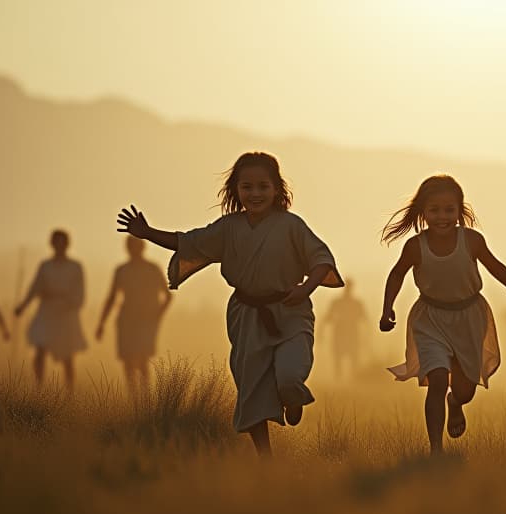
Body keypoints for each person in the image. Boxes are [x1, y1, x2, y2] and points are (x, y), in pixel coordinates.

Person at [116, 151, 342, 456]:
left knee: (290, 375)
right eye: (247, 187)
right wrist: (147, 233)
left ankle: (292, 396)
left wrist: (307, 288)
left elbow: (321, 259)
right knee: (251, 389)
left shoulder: (292, 225)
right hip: (246, 316)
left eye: (263, 186)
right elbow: (189, 242)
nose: (255, 193)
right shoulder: (228, 228)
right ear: (236, 190)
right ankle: (266, 460)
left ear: (277, 189)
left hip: (291, 312)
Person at [380, 174, 506, 454]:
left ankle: (455, 403)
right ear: (423, 212)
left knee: (465, 389)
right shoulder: (414, 247)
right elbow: (396, 275)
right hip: (430, 319)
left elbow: (497, 268)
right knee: (437, 379)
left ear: (460, 211)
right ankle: (436, 450)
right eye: (434, 210)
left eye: (449, 210)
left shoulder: (471, 240)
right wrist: (387, 310)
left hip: (469, 317)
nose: (442, 217)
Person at [96, 236, 172, 400]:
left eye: (135, 246)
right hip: (126, 320)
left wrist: (156, 316)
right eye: (130, 246)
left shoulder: (153, 269)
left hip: (146, 322)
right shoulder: (122, 270)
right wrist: (101, 323)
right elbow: (112, 297)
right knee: (128, 361)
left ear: (142, 247)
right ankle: (134, 400)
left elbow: (167, 296)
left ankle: (145, 401)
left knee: (143, 360)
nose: (132, 249)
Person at [15, 229, 88, 392]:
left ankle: (70, 393)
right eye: (56, 242)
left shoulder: (75, 267)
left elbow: (80, 291)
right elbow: (35, 287)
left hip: (66, 313)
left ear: (67, 244)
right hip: (46, 312)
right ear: (52, 244)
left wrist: (72, 304)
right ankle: (38, 389)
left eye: (62, 242)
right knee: (40, 349)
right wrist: (23, 305)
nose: (59, 246)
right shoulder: (45, 266)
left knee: (67, 355)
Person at [321, 281, 368, 379]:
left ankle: (353, 378)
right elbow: (328, 317)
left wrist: (367, 335)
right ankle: (339, 379)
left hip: (351, 331)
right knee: (338, 355)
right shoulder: (338, 303)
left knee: (353, 356)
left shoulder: (356, 303)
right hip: (340, 331)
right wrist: (321, 331)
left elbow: (364, 319)